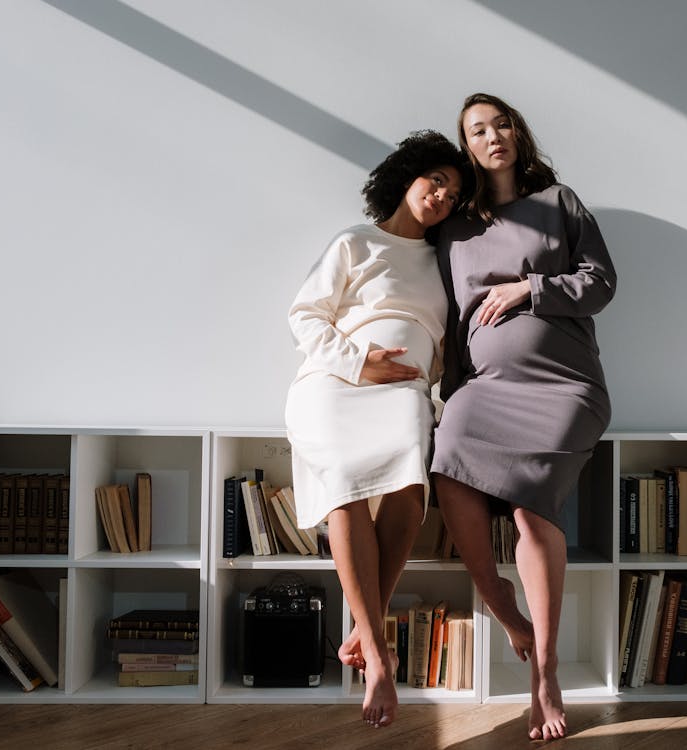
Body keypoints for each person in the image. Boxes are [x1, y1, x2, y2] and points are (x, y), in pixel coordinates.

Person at [431, 93, 616, 741]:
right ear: (468, 148)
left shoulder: (559, 204)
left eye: (501, 123)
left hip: (564, 386)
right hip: (485, 385)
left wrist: (529, 288)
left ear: (518, 133)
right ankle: (504, 608)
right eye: (478, 130)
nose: (493, 135)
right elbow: (453, 321)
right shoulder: (451, 227)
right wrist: (451, 391)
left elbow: (600, 283)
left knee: (532, 511)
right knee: (446, 460)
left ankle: (545, 669)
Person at [284, 130, 465, 729]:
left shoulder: (444, 263)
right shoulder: (354, 242)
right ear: (407, 176)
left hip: (406, 396)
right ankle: (379, 653)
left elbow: (440, 347)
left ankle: (366, 628)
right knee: (346, 491)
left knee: (410, 499)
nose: (441, 195)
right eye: (435, 179)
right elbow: (304, 315)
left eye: (453, 192)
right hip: (335, 388)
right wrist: (362, 363)